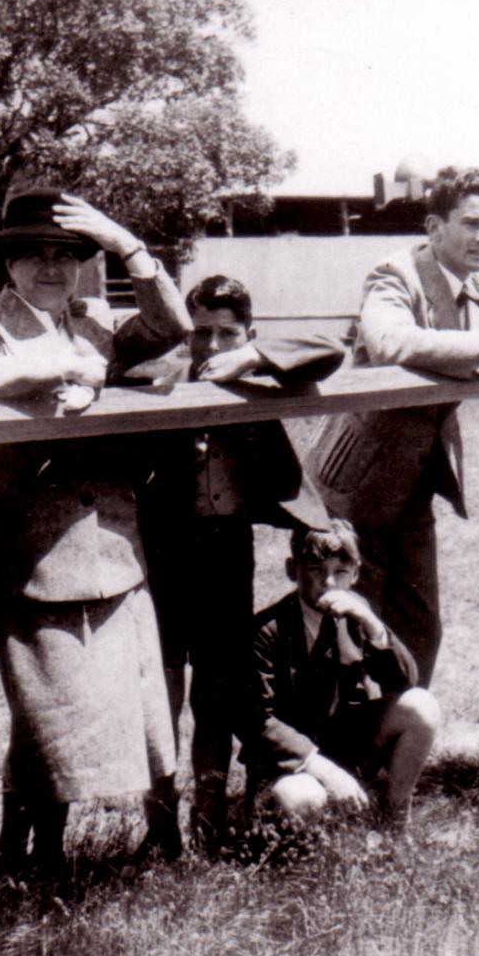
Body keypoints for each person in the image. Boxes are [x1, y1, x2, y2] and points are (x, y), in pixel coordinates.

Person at [0, 187, 189, 874]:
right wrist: (68, 368)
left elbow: (171, 329)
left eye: (66, 256)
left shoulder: (95, 323)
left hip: (113, 542)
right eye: (34, 256)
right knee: (48, 706)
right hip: (32, 550)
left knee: (141, 696)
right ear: (8, 265)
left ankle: (159, 839)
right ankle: (31, 853)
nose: (52, 269)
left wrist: (127, 245)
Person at [306, 166, 479, 683]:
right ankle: (340, 760)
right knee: (351, 629)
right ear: (433, 227)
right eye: (472, 223)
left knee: (420, 627)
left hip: (416, 482)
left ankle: (399, 750)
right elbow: (391, 344)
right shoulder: (395, 273)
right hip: (355, 483)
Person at [135, 275, 342, 849]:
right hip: (165, 552)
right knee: (164, 688)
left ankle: (210, 817)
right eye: (202, 332)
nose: (213, 346)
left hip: (228, 550)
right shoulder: (161, 379)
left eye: (228, 333)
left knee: (219, 688)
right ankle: (160, 824)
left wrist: (249, 360)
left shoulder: (256, 376)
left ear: (249, 335)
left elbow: (331, 351)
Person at [238, 520, 440, 827]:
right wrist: (324, 771)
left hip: (344, 741)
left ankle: (392, 819)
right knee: (303, 799)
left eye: (341, 572)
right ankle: (305, 848)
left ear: (356, 574)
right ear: (293, 570)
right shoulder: (267, 631)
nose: (329, 583)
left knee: (421, 706)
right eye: (316, 570)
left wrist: (373, 626)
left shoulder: (354, 615)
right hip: (290, 762)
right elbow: (258, 723)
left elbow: (406, 682)